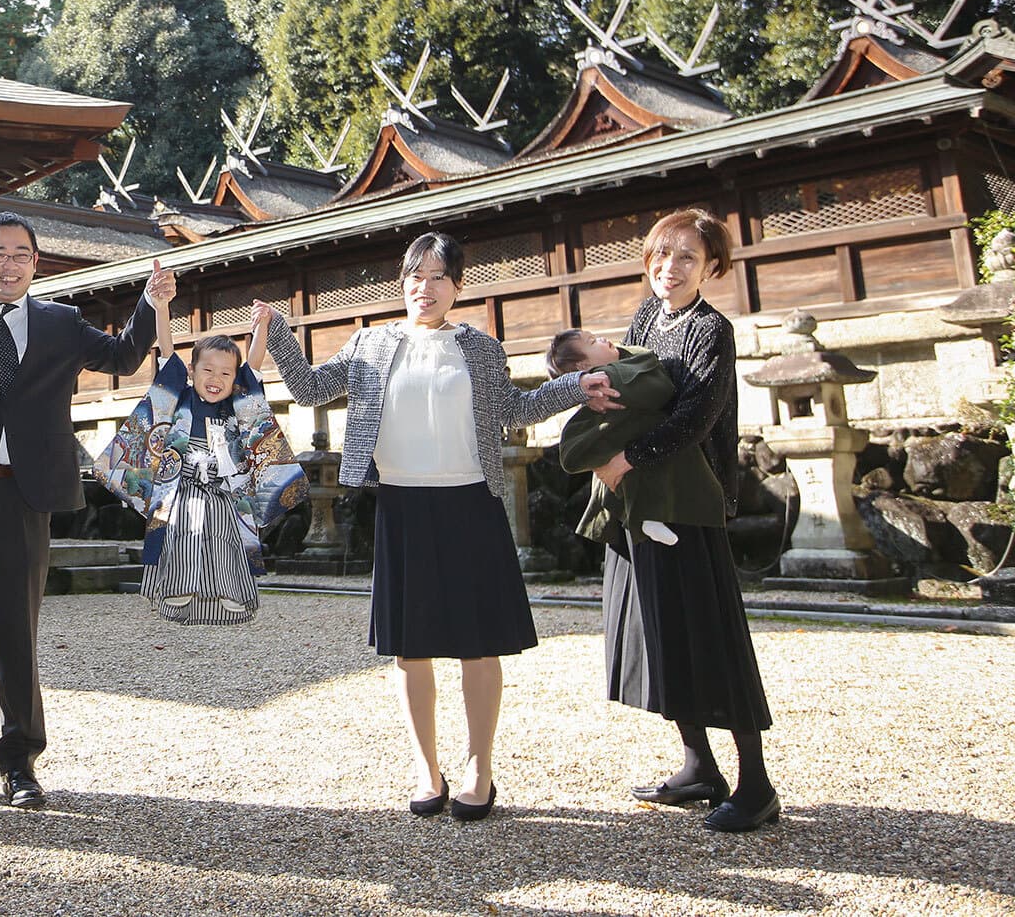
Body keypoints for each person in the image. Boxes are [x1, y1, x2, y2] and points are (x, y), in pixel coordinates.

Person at [254, 231, 616, 820]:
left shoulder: (479, 346)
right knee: (410, 648)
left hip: (469, 500)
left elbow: (514, 411)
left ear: (458, 287)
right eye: (415, 276)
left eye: (439, 276)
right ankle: (426, 768)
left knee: (478, 644)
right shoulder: (370, 344)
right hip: (401, 504)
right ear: (402, 283)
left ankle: (480, 765)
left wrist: (575, 386)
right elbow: (310, 387)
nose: (426, 287)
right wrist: (279, 336)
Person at [0, 211, 170, 809]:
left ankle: (19, 762)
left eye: (22, 253)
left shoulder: (60, 323)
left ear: (35, 263)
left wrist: (150, 301)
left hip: (24, 495)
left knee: (16, 633)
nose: (10, 263)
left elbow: (124, 358)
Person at [591, 209, 779, 833]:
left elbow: (696, 419)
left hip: (690, 503)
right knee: (662, 633)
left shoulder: (709, 330)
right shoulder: (646, 317)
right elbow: (625, 385)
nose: (670, 269)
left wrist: (623, 456)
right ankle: (700, 765)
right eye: (662, 255)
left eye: (688, 259)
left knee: (710, 637)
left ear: (713, 268)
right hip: (643, 500)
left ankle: (756, 784)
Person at [90, 273, 307, 625]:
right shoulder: (180, 396)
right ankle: (179, 585)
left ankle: (231, 591)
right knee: (184, 532)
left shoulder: (239, 402)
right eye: (207, 369)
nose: (216, 378)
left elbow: (253, 365)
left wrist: (261, 328)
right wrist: (161, 308)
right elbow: (166, 350)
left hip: (226, 487)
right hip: (184, 484)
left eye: (225, 373)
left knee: (226, 536)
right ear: (191, 371)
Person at [546, 328, 727, 547]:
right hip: (633, 457)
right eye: (593, 342)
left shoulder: (627, 363)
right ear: (583, 368)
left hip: (654, 448)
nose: (602, 338)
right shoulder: (609, 381)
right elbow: (660, 390)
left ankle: (647, 516)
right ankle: (646, 516)